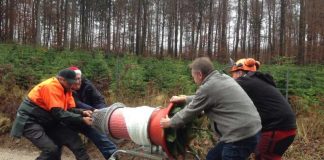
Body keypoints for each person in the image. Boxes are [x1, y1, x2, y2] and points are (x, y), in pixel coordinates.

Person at [160, 57, 262, 160]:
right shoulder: (223, 78)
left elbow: (190, 112)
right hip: (252, 130)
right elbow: (207, 97)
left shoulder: (208, 87)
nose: (194, 80)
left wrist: (170, 122)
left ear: (199, 75)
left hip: (240, 137)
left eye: (193, 77)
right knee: (212, 157)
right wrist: (185, 99)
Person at [10, 68, 92, 160]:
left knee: (74, 140)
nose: (71, 85)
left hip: (48, 119)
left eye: (72, 82)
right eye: (69, 82)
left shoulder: (67, 89)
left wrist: (82, 112)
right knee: (51, 150)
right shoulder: (51, 87)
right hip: (30, 120)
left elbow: (68, 109)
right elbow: (59, 113)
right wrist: (81, 119)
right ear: (61, 79)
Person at [230, 58, 297, 160]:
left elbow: (223, 89)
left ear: (239, 72)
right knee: (270, 156)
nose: (232, 77)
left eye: (233, 73)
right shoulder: (258, 81)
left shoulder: (245, 81)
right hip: (286, 127)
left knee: (263, 156)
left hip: (277, 128)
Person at [69, 66, 117, 159]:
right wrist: (93, 110)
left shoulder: (87, 84)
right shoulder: (66, 88)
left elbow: (98, 99)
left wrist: (101, 113)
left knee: (102, 138)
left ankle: (113, 156)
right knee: (68, 142)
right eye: (75, 79)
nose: (78, 81)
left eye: (79, 78)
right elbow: (76, 103)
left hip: (89, 117)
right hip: (70, 116)